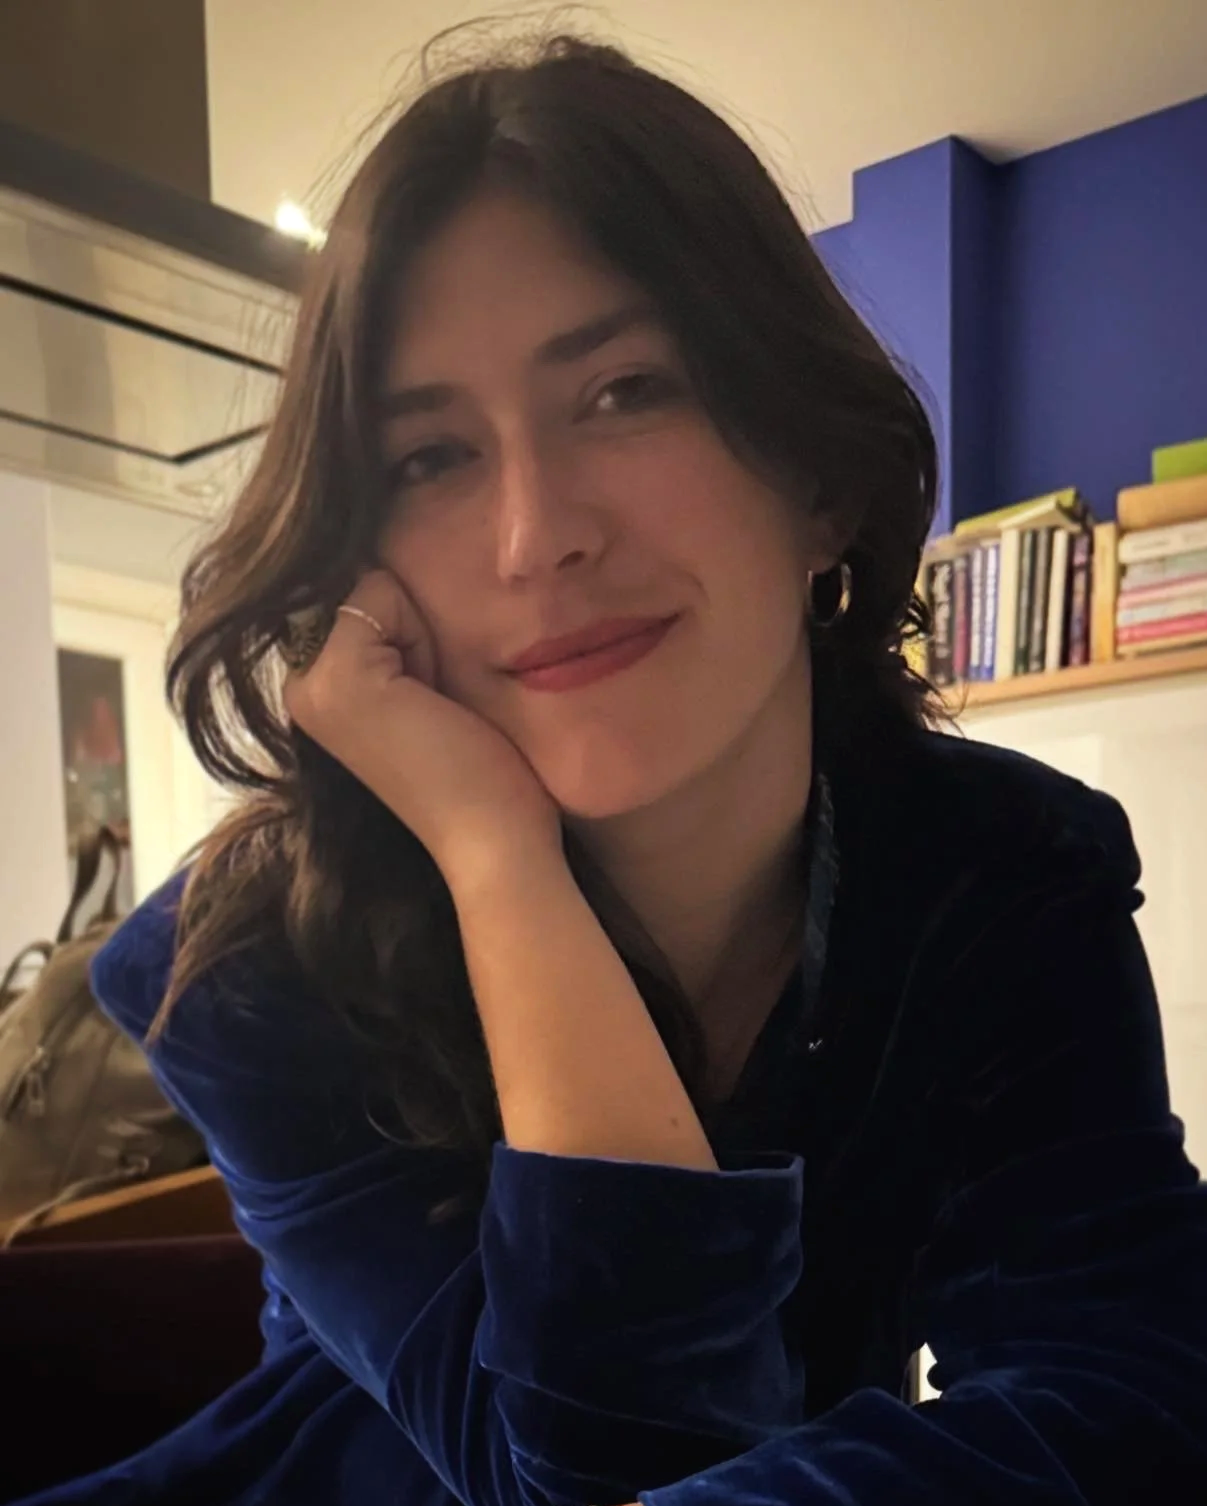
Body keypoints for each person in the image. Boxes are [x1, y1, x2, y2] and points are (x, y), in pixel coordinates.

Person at [23, 27, 1207, 1506]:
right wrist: (496, 857)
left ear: (818, 478)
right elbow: (584, 1480)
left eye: (626, 389)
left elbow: (1130, 1389)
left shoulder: (1004, 872)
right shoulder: (252, 963)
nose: (536, 540)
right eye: (429, 459)